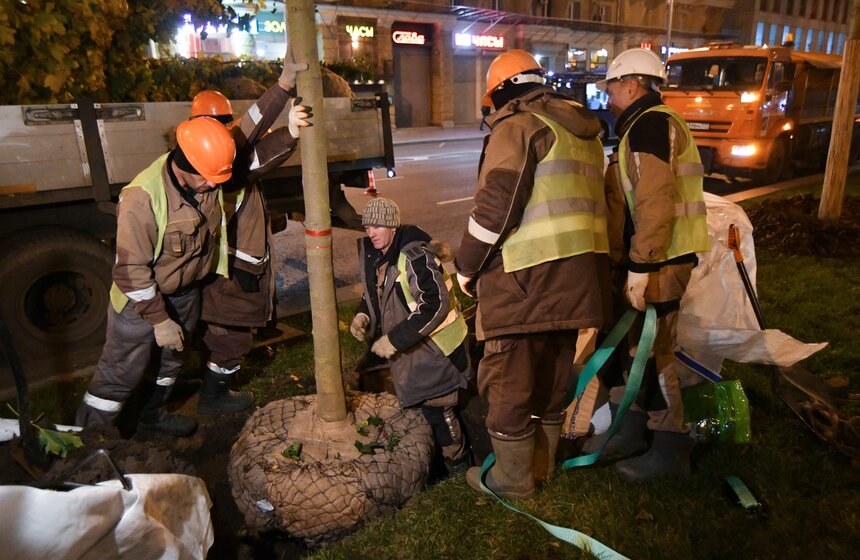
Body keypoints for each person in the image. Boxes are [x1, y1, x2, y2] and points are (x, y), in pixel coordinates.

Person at [456, 49, 610, 499]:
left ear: (501, 92)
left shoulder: (519, 126)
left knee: (506, 381)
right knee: (551, 375)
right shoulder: (581, 132)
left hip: (525, 281)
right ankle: (543, 467)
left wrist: (467, 267)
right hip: (577, 282)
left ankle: (513, 480)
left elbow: (495, 210)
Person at [583, 48, 710, 481]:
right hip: (651, 258)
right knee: (629, 349)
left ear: (632, 85)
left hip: (660, 261)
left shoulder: (650, 125)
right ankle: (630, 428)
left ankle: (671, 447)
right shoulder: (643, 124)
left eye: (612, 88)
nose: (608, 98)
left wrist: (641, 265)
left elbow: (655, 200)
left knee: (654, 355)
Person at [76, 117, 236, 436]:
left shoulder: (205, 179)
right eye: (207, 178)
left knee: (169, 364)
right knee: (120, 373)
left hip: (186, 293)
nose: (215, 186)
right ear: (183, 166)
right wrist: (159, 319)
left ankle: (152, 415)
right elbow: (130, 271)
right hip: (142, 303)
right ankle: (89, 442)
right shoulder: (142, 197)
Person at [192, 49, 310, 415]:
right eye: (223, 126)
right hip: (233, 275)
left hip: (229, 272)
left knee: (222, 335)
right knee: (231, 340)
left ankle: (210, 382)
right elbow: (252, 148)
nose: (229, 133)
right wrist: (288, 120)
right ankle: (213, 397)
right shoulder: (217, 167)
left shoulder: (210, 155)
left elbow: (249, 134)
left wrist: (283, 86)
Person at [349, 197, 472, 474]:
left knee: (439, 410)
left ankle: (458, 465)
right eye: (368, 226)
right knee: (427, 408)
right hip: (421, 347)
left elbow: (435, 305)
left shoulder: (413, 256)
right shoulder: (383, 254)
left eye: (378, 225)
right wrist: (364, 315)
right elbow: (381, 295)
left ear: (393, 225)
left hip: (440, 350)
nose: (371, 232)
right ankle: (447, 460)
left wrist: (394, 340)